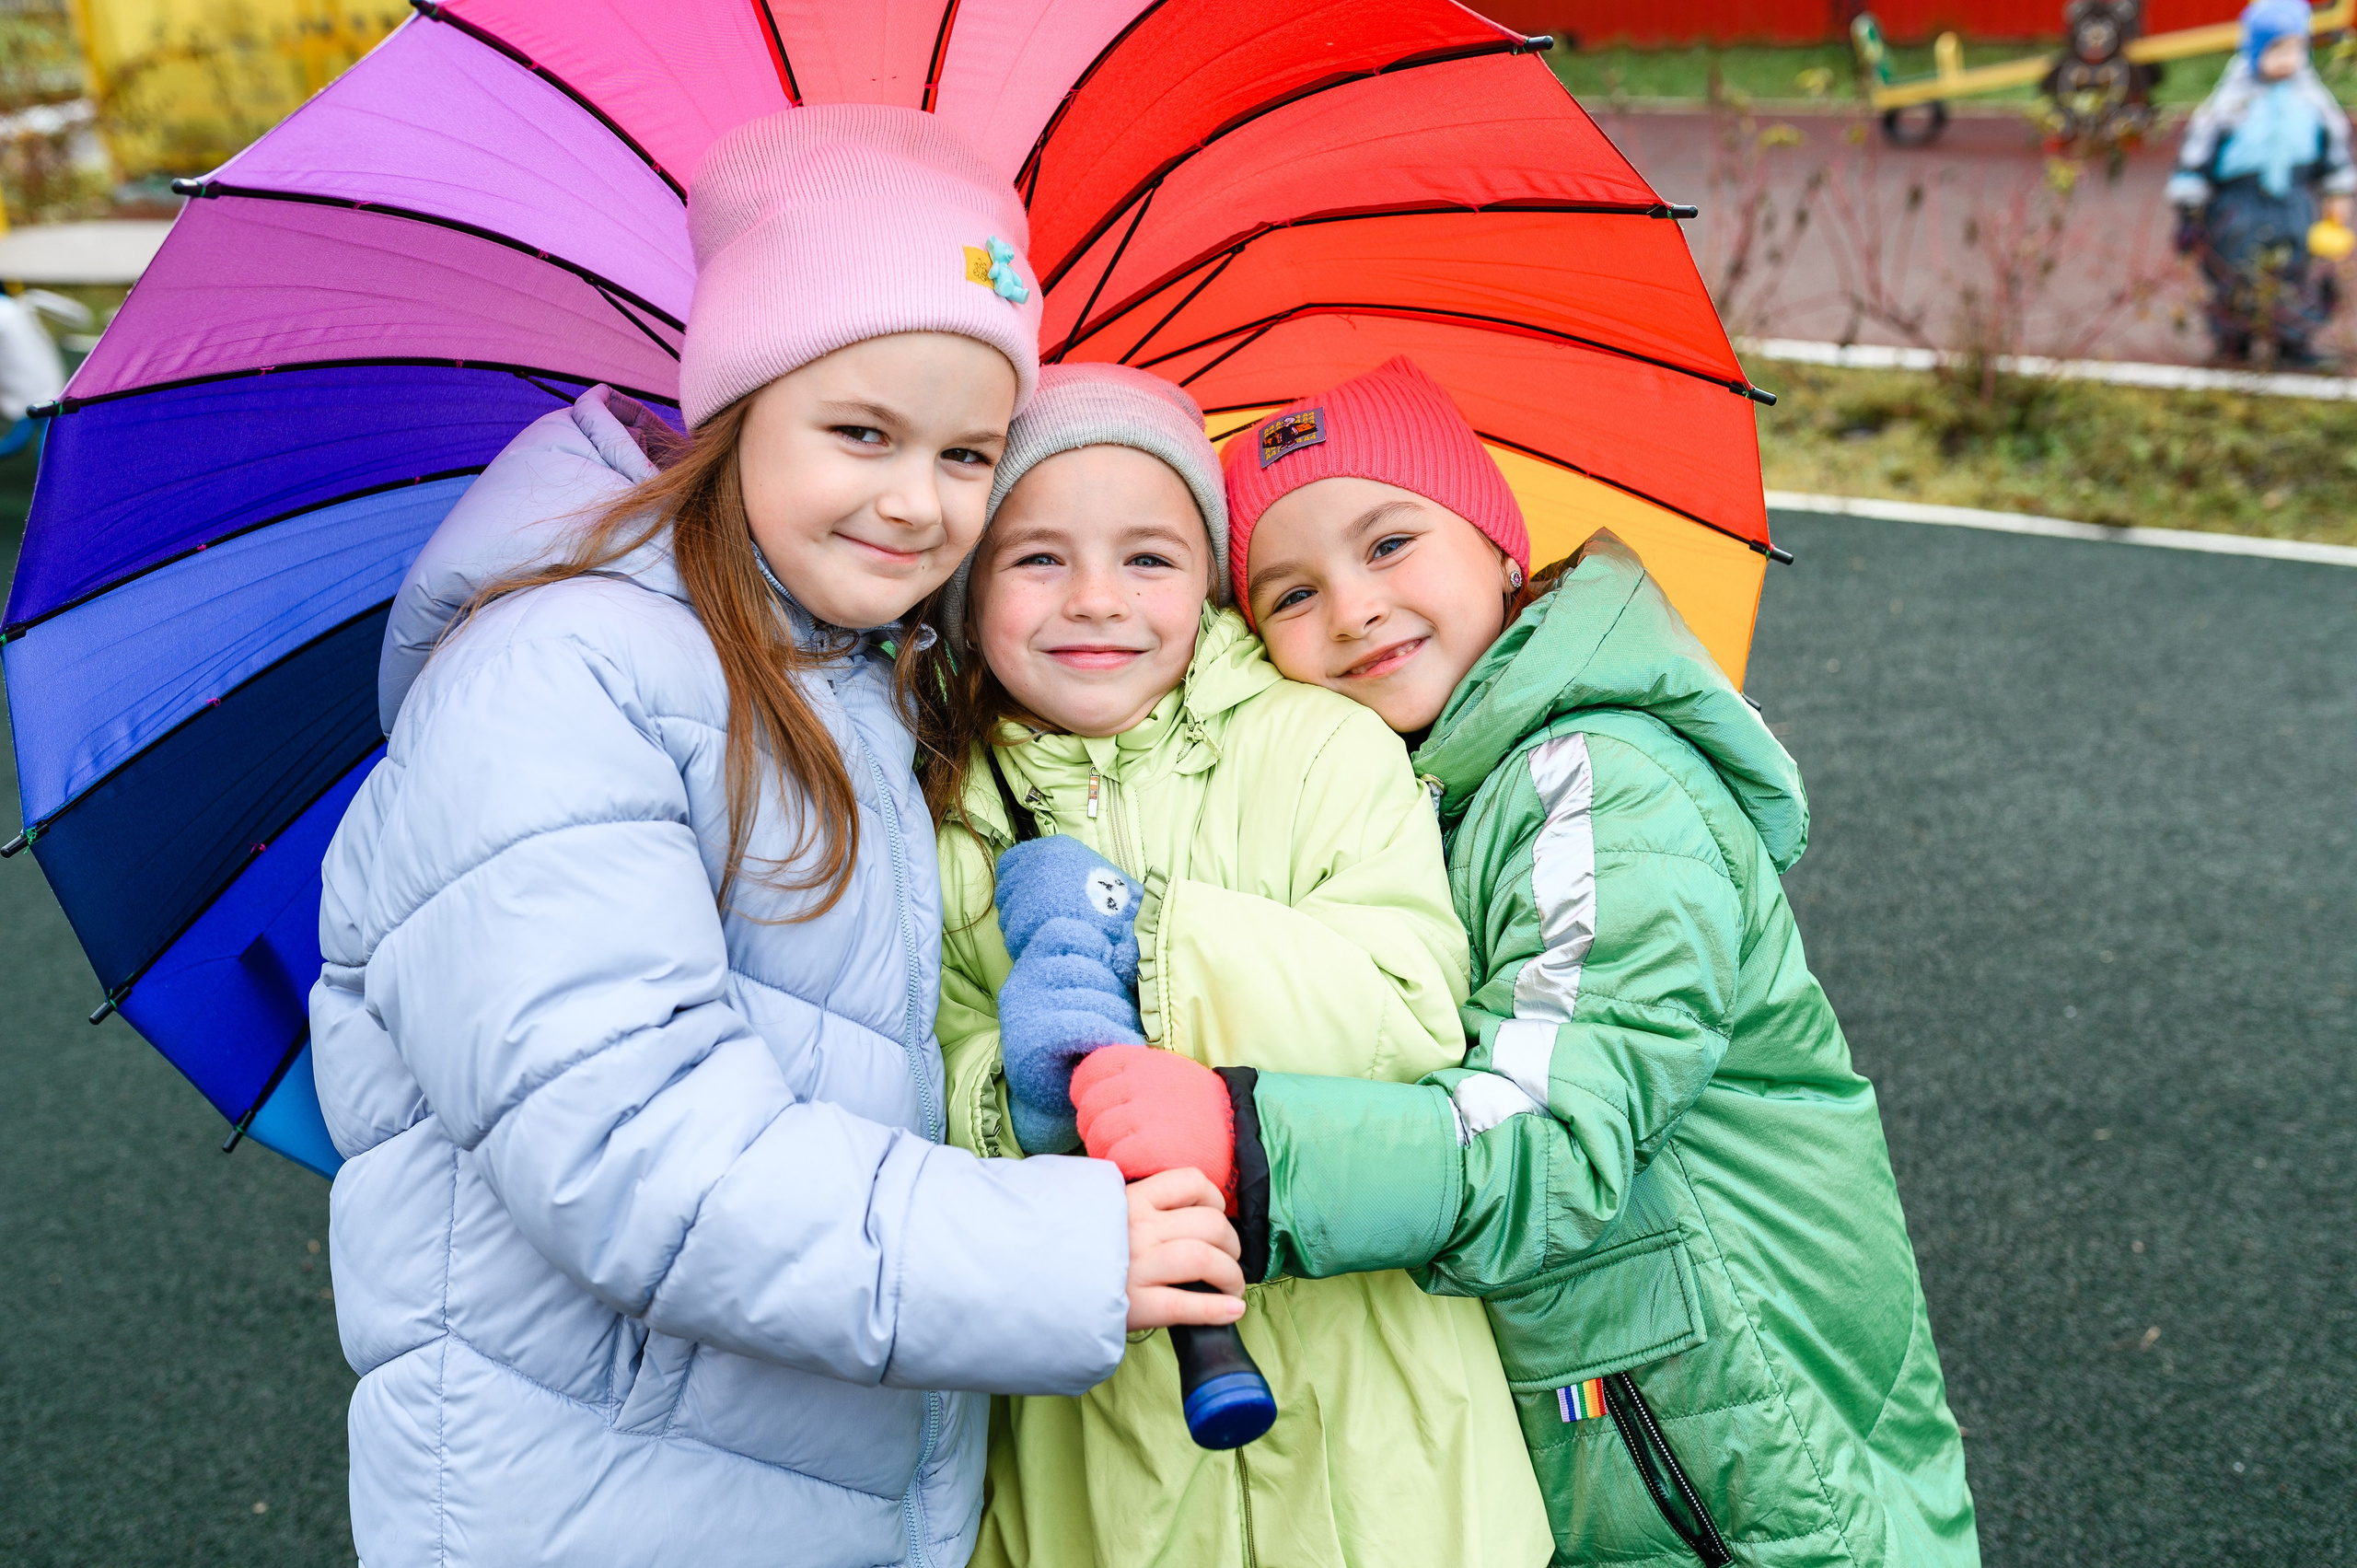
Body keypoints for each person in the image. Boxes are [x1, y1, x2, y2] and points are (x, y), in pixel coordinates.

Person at [309, 107, 1245, 1568]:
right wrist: (1057, 1248)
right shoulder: (557, 681)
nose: (913, 500)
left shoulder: (857, 681)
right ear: (739, 409)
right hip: (603, 1503)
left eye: (965, 454)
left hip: (807, 1471)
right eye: (860, 431)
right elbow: (634, 1149)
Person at [1073, 357, 1980, 1567]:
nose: (1351, 608)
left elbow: (1553, 1130)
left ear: (1501, 546)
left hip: (1740, 1447)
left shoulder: (1594, 784)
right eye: (1291, 591)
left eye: (1390, 541)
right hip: (1643, 1429)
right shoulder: (1433, 792)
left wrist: (1252, 1142)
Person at [916, 362, 1551, 1568]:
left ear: (1209, 581)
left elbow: (1411, 1007)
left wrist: (1153, 945)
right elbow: (922, 1082)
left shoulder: (1321, 745)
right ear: (968, 588)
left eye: (1149, 558)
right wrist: (1020, 1098)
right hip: (1102, 1458)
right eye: (1037, 558)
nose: (1096, 597)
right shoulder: (947, 812)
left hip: (1384, 1451)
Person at [2167, 0, 2355, 366]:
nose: (2287, 59)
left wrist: (2338, 193)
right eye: (2275, 49)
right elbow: (2196, 155)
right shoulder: (2230, 103)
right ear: (2253, 50)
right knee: (2235, 269)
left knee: (2295, 269)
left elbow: (2333, 152)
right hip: (2239, 201)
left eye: (2296, 48)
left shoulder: (2313, 101)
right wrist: (2190, 208)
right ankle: (2234, 343)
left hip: (2294, 199)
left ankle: (2293, 342)